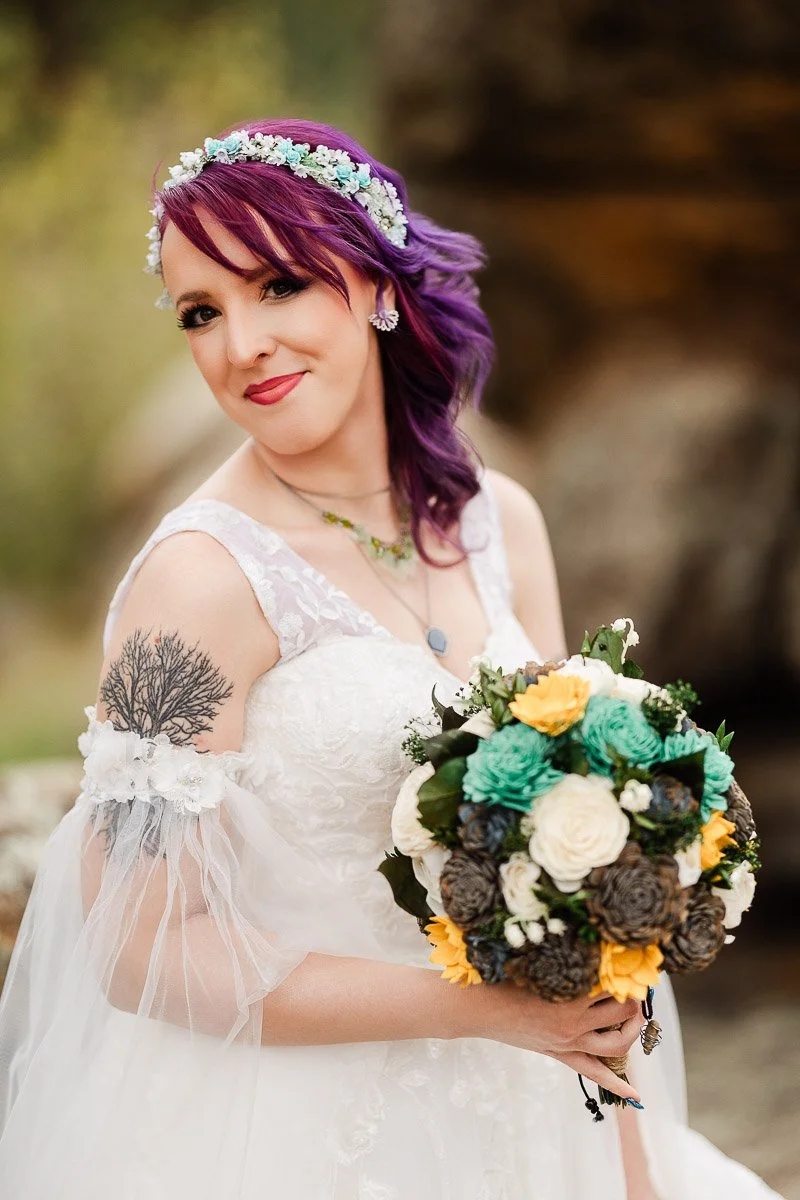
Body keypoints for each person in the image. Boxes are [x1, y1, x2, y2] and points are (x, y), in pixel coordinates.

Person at [0, 119, 781, 1200]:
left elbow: (581, 883)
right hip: (282, 1140)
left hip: (532, 1116)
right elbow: (139, 947)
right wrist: (483, 1011)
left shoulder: (497, 522)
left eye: (277, 285)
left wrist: (627, 1162)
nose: (240, 346)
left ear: (373, 282)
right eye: (200, 313)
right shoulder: (193, 587)